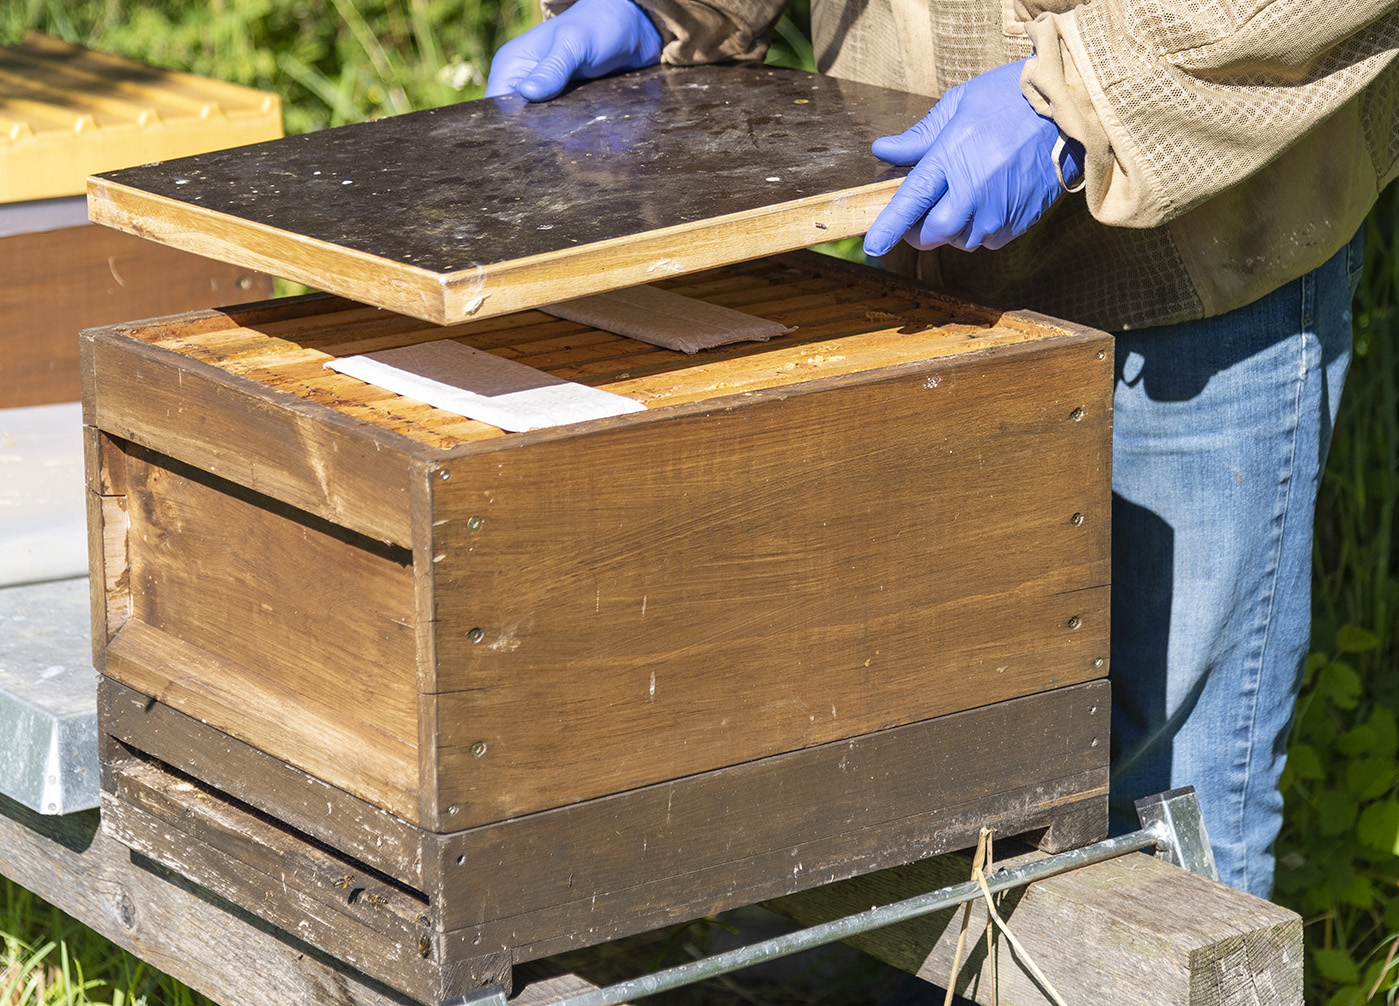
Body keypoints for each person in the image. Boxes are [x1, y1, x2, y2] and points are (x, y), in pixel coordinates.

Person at [485, 0, 1399, 900]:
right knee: (948, 753)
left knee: (1165, 800)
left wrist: (1082, 96)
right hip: (923, 261)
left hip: (1200, 269)